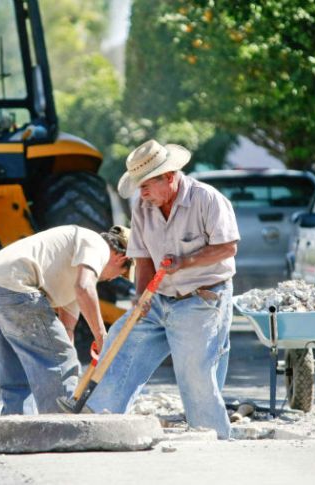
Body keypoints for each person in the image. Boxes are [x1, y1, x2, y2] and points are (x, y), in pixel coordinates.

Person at [85, 139, 240, 440]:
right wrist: (141, 300)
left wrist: (185, 262)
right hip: (159, 298)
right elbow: (143, 260)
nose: (141, 193)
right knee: (121, 342)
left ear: (169, 177)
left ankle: (212, 438)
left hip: (201, 298)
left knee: (195, 372)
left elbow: (227, 248)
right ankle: (100, 424)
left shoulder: (207, 199)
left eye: (145, 185)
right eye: (138, 186)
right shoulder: (143, 208)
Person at [0, 224, 131, 414]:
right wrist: (102, 337)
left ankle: (16, 432)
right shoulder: (97, 244)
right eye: (121, 274)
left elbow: (66, 328)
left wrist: (63, 344)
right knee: (61, 362)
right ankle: (63, 430)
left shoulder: (74, 261)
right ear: (121, 257)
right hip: (15, 288)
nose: (113, 280)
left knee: (17, 368)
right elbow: (84, 288)